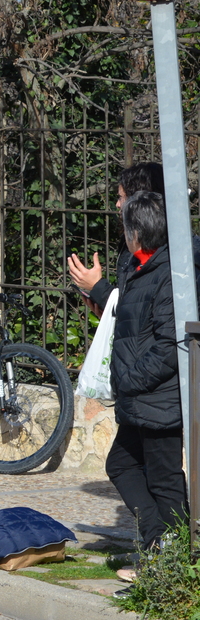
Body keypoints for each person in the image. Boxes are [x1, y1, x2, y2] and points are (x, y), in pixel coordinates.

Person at [107, 191, 191, 578]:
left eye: (126, 227)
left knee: (164, 480)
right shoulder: (138, 266)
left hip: (158, 398)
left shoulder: (169, 275)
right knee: (122, 465)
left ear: (137, 232)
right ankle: (160, 547)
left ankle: (174, 563)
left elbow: (170, 346)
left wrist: (130, 379)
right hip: (140, 399)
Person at [68, 162, 166, 317]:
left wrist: (97, 287)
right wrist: (110, 314)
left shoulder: (160, 251)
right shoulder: (134, 243)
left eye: (121, 197)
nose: (118, 204)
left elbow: (141, 310)